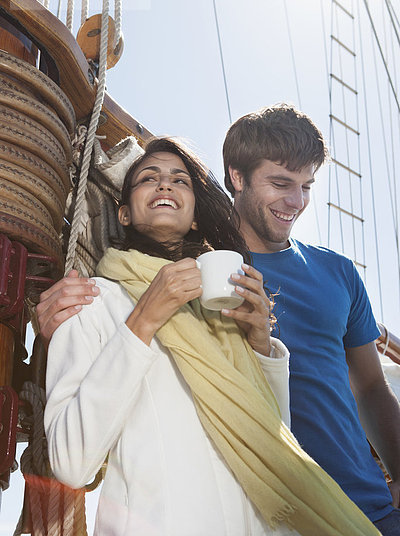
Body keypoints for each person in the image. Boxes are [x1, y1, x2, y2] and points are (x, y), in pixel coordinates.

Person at [43, 137, 380, 536]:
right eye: (149, 178)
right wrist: (143, 321)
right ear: (125, 214)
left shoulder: (220, 313)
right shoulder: (90, 301)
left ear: (197, 217)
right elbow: (70, 463)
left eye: (180, 180)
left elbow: (272, 439)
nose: (165, 185)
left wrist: (260, 345)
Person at [222, 103, 400, 536]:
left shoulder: (338, 272)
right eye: (281, 183)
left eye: (306, 186)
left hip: (367, 510)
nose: (296, 201)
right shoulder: (203, 265)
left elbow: (373, 388)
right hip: (259, 516)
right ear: (237, 177)